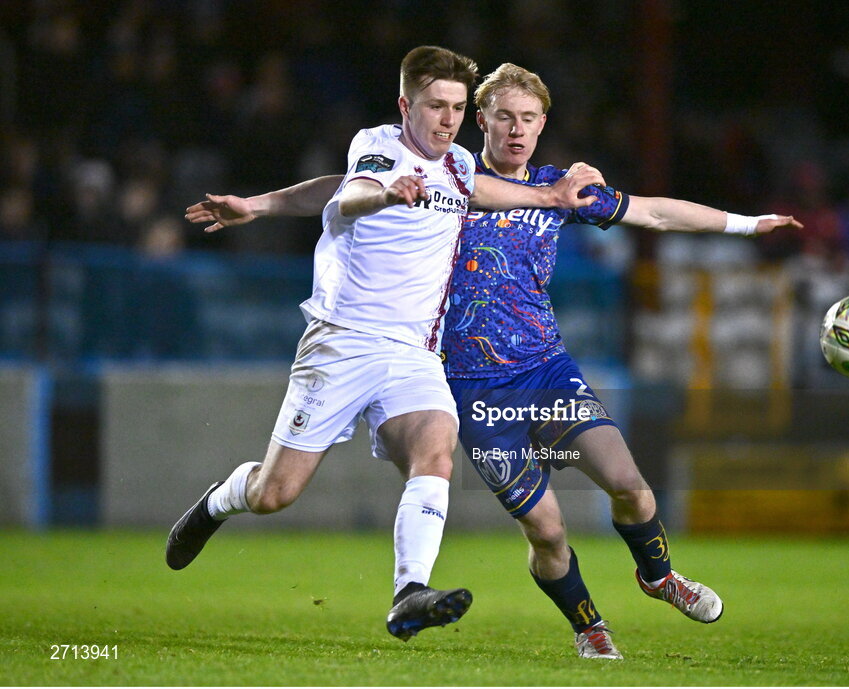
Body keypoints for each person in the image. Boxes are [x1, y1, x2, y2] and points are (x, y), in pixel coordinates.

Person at [166, 46, 604, 643]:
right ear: (406, 106)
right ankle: (220, 500)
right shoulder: (379, 145)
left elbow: (482, 193)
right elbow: (349, 193)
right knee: (275, 494)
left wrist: (552, 198)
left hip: (415, 352)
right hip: (343, 342)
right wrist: (385, 193)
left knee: (435, 449)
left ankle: (409, 593)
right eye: (433, 106)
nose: (447, 119)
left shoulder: (457, 168)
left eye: (455, 107)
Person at [441, 63, 801, 659]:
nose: (516, 129)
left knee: (630, 486)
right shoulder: (446, 180)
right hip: (476, 393)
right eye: (504, 116)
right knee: (547, 529)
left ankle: (658, 576)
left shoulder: (562, 189)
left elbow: (654, 212)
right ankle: (589, 626)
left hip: (546, 374)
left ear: (542, 124)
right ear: (481, 120)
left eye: (528, 118)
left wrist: (746, 224)